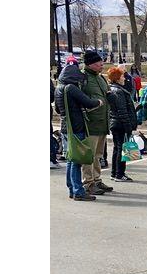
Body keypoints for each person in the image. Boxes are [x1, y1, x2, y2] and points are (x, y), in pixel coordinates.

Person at [55, 61, 104, 201]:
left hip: (65, 127)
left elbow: (58, 109)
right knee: (76, 160)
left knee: (71, 159)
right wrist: (99, 102)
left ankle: (72, 188)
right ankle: (78, 191)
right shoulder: (71, 88)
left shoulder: (59, 88)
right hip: (76, 127)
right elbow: (88, 102)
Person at [79, 51, 112, 195]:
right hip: (90, 124)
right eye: (99, 62)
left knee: (98, 155)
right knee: (89, 156)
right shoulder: (83, 78)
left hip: (102, 123)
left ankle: (97, 179)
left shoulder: (101, 79)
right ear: (91, 64)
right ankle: (88, 182)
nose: (102, 64)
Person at [106, 66, 138, 182]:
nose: (124, 78)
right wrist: (128, 126)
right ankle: (119, 174)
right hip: (120, 123)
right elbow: (122, 111)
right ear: (117, 78)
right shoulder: (119, 91)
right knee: (121, 149)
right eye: (122, 75)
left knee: (117, 148)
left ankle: (115, 173)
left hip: (116, 123)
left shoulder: (114, 89)